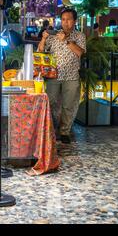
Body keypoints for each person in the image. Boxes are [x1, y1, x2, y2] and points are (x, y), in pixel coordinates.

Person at [37, 8, 86, 143]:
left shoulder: (79, 36)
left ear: (74, 21)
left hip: (71, 76)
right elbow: (41, 51)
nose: (66, 22)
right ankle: (50, 130)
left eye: (69, 19)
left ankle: (65, 132)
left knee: (69, 105)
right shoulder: (54, 35)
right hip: (53, 76)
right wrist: (43, 38)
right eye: (63, 19)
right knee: (50, 103)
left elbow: (80, 52)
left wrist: (66, 40)